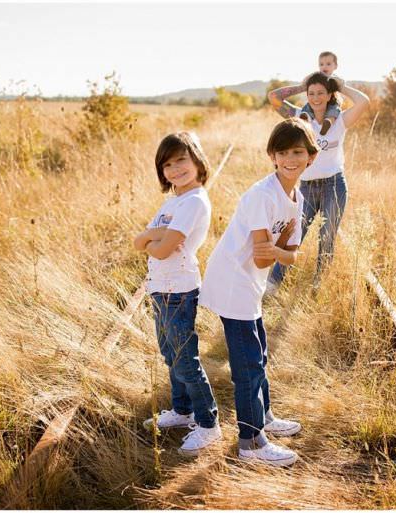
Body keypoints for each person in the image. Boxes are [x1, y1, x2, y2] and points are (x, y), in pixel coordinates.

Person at [198, 118, 319, 466]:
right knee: (248, 363)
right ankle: (250, 442)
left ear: (310, 156)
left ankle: (263, 416)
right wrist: (280, 251)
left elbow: (287, 256)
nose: (290, 158)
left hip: (250, 283)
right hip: (232, 281)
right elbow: (270, 254)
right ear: (272, 156)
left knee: (259, 353)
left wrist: (278, 251)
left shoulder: (296, 197)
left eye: (298, 151)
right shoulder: (261, 195)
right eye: (282, 152)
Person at [134, 132, 221, 456]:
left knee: (185, 360)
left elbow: (160, 249)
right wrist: (153, 237)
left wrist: (150, 238)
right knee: (170, 355)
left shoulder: (195, 200)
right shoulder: (173, 201)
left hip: (178, 291)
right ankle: (182, 410)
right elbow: (143, 242)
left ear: (197, 160)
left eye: (181, 160)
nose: (175, 169)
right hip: (160, 289)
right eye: (167, 164)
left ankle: (208, 424)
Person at [266, 71, 370, 293]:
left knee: (327, 236)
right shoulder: (300, 119)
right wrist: (300, 86)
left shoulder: (340, 120)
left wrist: (341, 86)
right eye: (311, 93)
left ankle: (319, 282)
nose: (315, 98)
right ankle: (274, 283)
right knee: (294, 233)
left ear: (329, 94)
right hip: (306, 187)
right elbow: (274, 97)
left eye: (320, 93)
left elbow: (364, 101)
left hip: (334, 186)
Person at [299, 51, 342, 136]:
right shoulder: (317, 76)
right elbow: (305, 81)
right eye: (321, 64)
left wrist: (335, 82)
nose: (324, 67)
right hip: (320, 101)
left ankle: (328, 121)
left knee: (334, 110)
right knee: (308, 106)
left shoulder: (335, 78)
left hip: (333, 100)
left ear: (335, 66)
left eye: (328, 64)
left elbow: (342, 84)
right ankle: (306, 117)